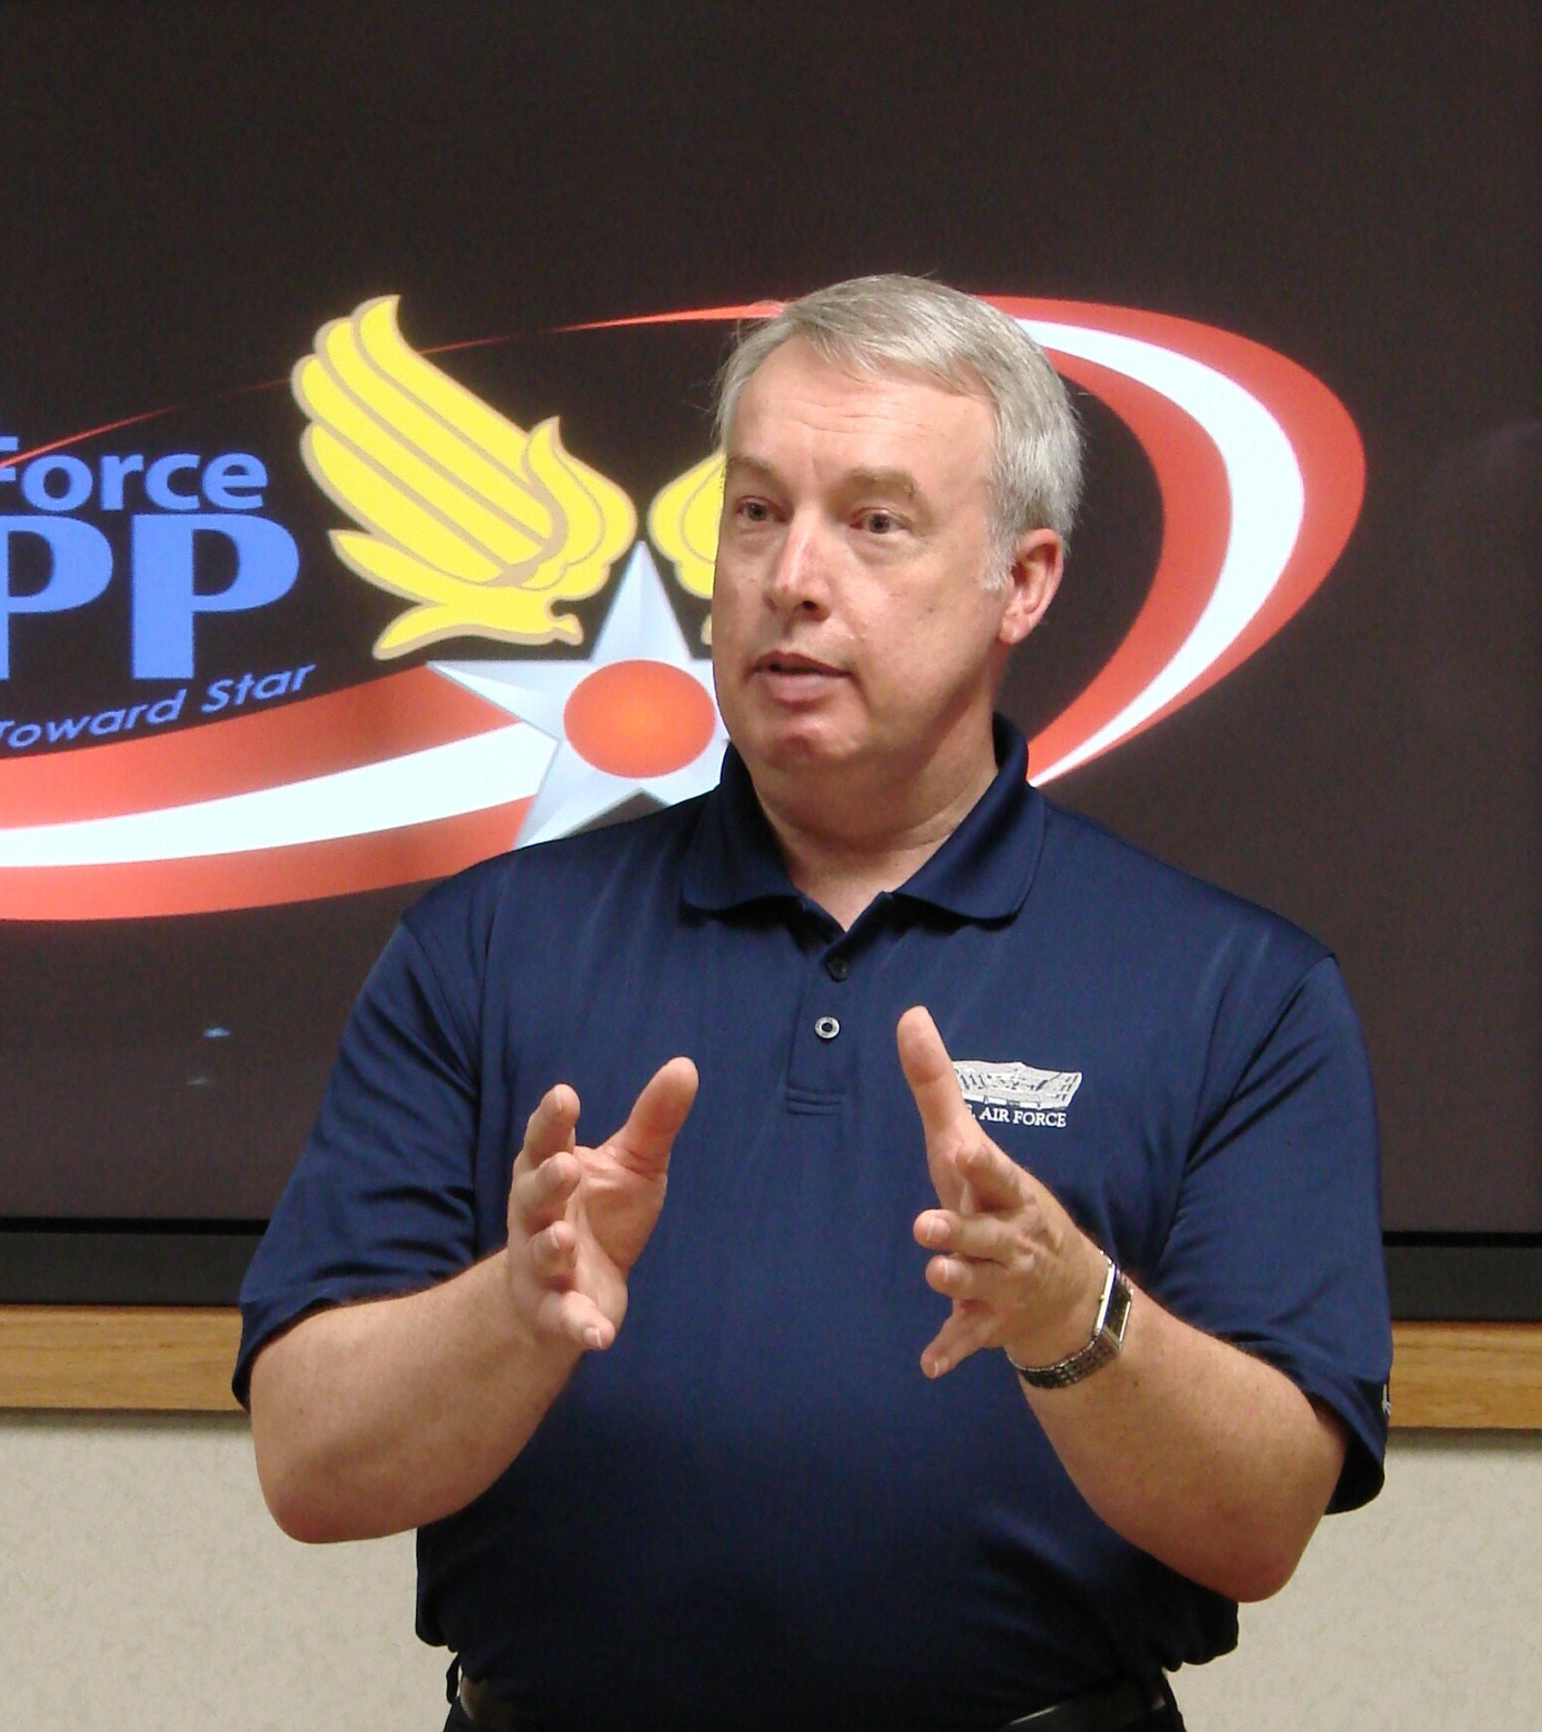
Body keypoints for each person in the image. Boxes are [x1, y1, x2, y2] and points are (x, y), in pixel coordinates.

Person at [235, 276, 1391, 1732]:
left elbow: (1263, 1522)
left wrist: (1071, 1316)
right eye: (759, 512)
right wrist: (513, 1315)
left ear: (1021, 581)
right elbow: (309, 1467)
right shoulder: (482, 948)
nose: (793, 577)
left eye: (877, 521)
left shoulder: (1239, 991)